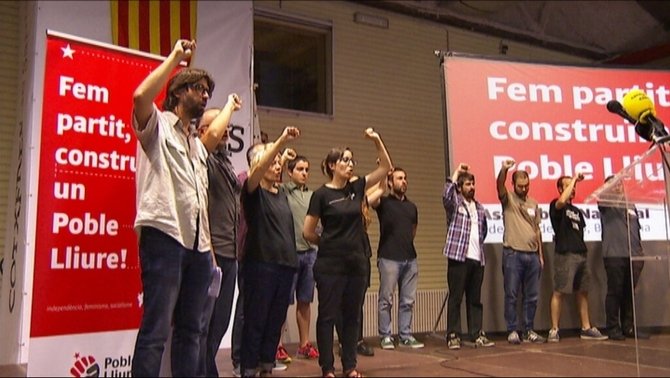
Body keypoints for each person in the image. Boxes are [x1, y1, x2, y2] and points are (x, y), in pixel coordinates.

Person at [130, 39, 241, 376]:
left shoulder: (196, 145)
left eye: (208, 90)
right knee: (156, 331)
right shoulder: (158, 126)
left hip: (198, 247)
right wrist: (176, 57)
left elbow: (198, 200)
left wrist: (206, 251)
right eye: (197, 88)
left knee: (192, 331)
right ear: (178, 94)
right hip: (164, 236)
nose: (205, 94)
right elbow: (139, 97)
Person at [303, 128, 392, 378]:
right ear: (332, 165)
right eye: (345, 160)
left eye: (352, 161)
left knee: (352, 317)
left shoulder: (356, 188)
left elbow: (386, 168)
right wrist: (330, 243)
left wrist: (376, 139)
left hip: (356, 264)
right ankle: (328, 368)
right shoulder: (321, 195)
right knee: (328, 316)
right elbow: (308, 232)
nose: (350, 164)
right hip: (330, 265)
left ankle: (350, 365)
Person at [240, 127, 300, 377]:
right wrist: (281, 141)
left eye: (278, 163)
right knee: (256, 319)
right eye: (272, 162)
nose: (277, 166)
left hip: (286, 266)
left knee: (275, 322)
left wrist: (282, 157)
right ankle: (248, 369)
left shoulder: (281, 194)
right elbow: (257, 172)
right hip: (260, 264)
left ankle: (266, 365)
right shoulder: (252, 191)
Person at [197, 107, 243, 377]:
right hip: (212, 255)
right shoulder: (203, 157)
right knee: (204, 324)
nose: (226, 129)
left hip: (231, 254)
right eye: (220, 125)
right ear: (204, 131)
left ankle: (206, 368)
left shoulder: (225, 161)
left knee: (220, 323)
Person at [548, 174, 608, 342]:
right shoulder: (556, 205)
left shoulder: (577, 212)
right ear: (560, 189)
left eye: (574, 186)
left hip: (581, 254)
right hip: (565, 254)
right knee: (559, 291)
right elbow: (561, 201)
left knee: (582, 292)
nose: (573, 189)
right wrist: (574, 179)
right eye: (568, 186)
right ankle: (554, 329)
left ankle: (586, 328)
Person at [368, 168, 424, 349]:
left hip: (410, 258)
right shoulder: (383, 202)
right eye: (399, 178)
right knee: (386, 300)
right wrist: (383, 176)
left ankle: (405, 335)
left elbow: (412, 231)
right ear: (391, 183)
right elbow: (369, 197)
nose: (404, 181)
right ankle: (385, 336)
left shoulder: (411, 207)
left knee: (407, 301)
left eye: (405, 178)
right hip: (388, 258)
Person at [443, 163, 494, 350]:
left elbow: (484, 231)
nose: (471, 187)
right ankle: (453, 335)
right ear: (460, 187)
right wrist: (457, 172)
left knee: (474, 299)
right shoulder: (455, 204)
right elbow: (446, 194)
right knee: (456, 297)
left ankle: (476, 333)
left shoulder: (480, 208)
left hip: (477, 259)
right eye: (467, 184)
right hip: (458, 257)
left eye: (473, 184)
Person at [496, 160, 546, 344]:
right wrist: (504, 169)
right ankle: (512, 330)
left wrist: (540, 255)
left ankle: (528, 330)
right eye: (520, 186)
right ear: (513, 184)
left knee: (532, 296)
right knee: (511, 294)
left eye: (527, 186)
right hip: (513, 254)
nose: (524, 189)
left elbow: (537, 230)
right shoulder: (507, 199)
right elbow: (499, 184)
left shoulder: (534, 203)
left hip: (532, 256)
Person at [278, 153, 321, 360]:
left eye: (306, 169)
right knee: (282, 301)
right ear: (289, 172)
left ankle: (304, 344)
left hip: (310, 253)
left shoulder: (313, 195)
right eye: (299, 169)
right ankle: (276, 345)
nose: (304, 173)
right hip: (289, 253)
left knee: (305, 301)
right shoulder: (284, 190)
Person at [598, 175, 647, 340]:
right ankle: (613, 328)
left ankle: (629, 327)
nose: (618, 187)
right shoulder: (605, 204)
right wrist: (609, 190)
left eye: (619, 184)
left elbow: (635, 230)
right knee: (615, 292)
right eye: (613, 185)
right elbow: (601, 198)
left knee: (629, 294)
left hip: (633, 255)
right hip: (614, 255)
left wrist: (639, 251)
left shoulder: (631, 204)